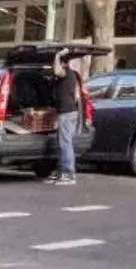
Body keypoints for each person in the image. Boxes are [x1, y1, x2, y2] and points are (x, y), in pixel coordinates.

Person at [43, 50, 84, 185]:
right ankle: (61, 171)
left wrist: (57, 55)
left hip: (67, 113)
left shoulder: (65, 73)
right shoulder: (72, 75)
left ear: (62, 63)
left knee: (65, 143)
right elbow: (77, 95)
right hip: (68, 112)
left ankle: (68, 173)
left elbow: (56, 71)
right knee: (63, 143)